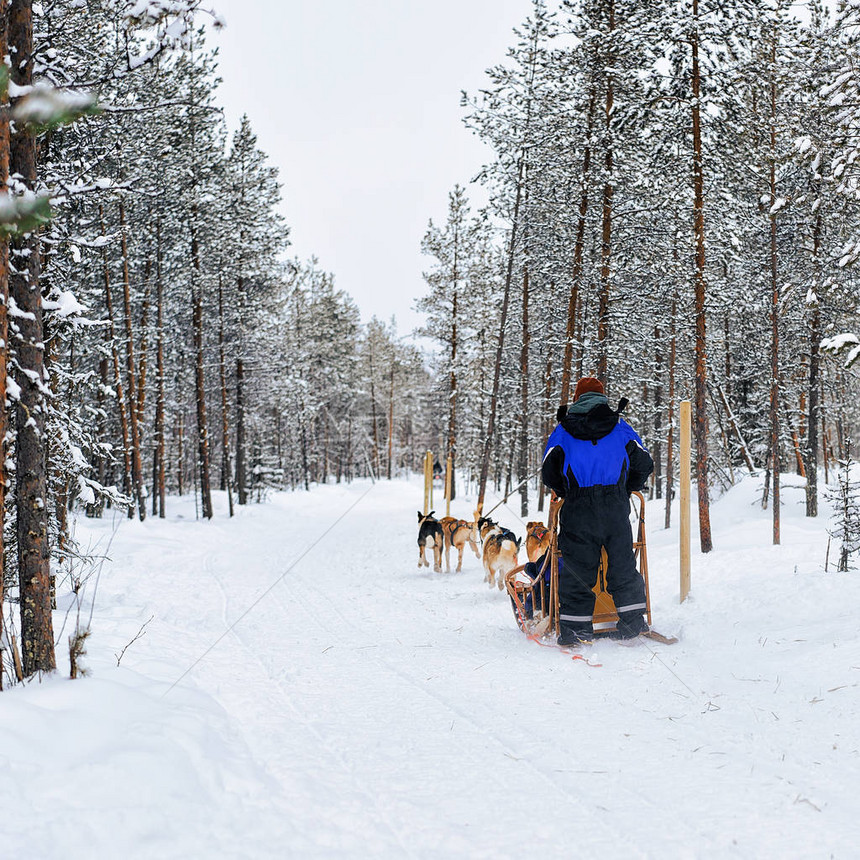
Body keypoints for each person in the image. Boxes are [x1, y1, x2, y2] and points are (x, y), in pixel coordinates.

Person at [541, 376, 654, 645]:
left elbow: (549, 472)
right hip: (615, 506)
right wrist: (628, 487)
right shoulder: (620, 427)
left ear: (577, 398)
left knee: (578, 566)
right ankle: (633, 619)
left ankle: (576, 628)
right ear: (603, 397)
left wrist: (567, 491)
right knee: (622, 562)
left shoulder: (563, 431)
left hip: (578, 506)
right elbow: (644, 462)